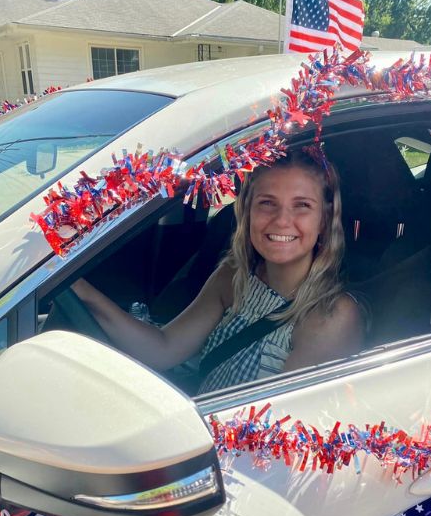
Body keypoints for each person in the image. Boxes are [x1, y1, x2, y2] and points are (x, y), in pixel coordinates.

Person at [71, 148, 364, 393]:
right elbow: (162, 348)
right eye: (267, 203)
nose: (282, 220)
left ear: (324, 220)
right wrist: (80, 291)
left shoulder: (330, 315)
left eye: (302, 206)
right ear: (247, 211)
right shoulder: (233, 277)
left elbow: (276, 425)